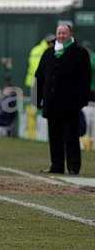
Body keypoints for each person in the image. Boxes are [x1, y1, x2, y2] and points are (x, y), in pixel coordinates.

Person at [35, 24, 91, 175]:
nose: (61, 36)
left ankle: (73, 167)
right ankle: (56, 165)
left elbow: (85, 78)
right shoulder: (48, 53)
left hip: (71, 104)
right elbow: (39, 77)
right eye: (59, 33)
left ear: (70, 34)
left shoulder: (80, 53)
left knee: (71, 137)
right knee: (54, 137)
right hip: (52, 103)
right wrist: (38, 99)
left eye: (64, 33)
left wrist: (82, 99)